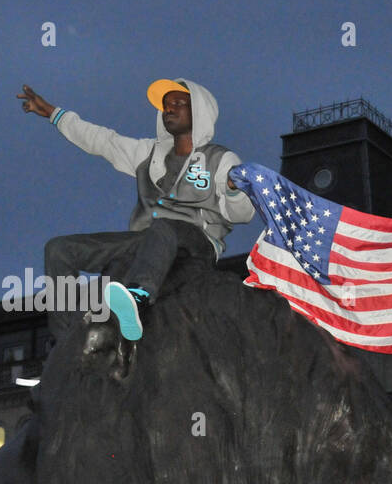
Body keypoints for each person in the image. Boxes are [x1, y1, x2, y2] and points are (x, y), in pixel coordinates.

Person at [17, 79, 254, 344]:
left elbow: (243, 214)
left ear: (199, 112)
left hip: (196, 243)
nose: (170, 110)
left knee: (165, 227)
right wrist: (52, 113)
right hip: (146, 242)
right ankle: (68, 338)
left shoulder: (220, 159)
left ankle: (138, 297)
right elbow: (102, 141)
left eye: (179, 104)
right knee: (58, 249)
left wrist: (234, 190)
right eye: (166, 105)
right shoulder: (147, 152)